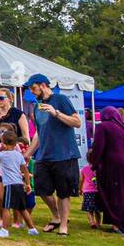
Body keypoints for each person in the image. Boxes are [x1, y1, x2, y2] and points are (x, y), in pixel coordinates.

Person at [25, 73, 82, 235]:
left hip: (64, 154)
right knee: (42, 190)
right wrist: (28, 153)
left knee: (63, 192)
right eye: (30, 88)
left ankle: (63, 225)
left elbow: (77, 122)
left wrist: (56, 113)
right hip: (43, 155)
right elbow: (39, 133)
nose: (32, 91)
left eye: (33, 87)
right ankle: (56, 216)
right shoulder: (36, 106)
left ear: (43, 85)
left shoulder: (60, 100)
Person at [87, 105, 124, 235]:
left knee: (116, 193)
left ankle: (118, 223)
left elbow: (98, 147)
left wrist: (94, 164)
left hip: (116, 165)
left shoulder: (103, 127)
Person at [0, 125, 37, 237]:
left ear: (4, 144)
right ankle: (32, 228)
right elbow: (25, 170)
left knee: (6, 207)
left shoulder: (2, 155)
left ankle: (4, 230)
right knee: (22, 208)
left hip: (9, 185)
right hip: (19, 184)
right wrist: (28, 184)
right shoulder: (18, 155)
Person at [79, 161, 102, 230]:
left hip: (87, 191)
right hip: (98, 191)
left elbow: (81, 180)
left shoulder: (84, 169)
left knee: (88, 209)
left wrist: (80, 189)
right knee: (97, 209)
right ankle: (98, 223)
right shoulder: (99, 168)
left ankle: (92, 222)